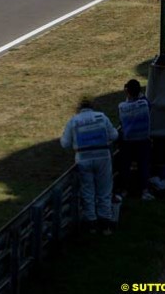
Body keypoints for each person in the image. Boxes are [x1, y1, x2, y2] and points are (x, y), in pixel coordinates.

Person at [61, 98, 119, 234]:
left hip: (83, 158)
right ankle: (106, 224)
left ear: (79, 109)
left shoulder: (74, 121)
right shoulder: (101, 117)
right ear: (92, 107)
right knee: (104, 190)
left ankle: (91, 223)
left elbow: (65, 144)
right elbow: (114, 135)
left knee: (88, 191)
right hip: (102, 156)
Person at [117, 79, 155, 201]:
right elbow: (146, 103)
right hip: (143, 140)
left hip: (128, 141)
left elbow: (122, 121)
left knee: (125, 166)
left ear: (128, 91)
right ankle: (144, 191)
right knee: (144, 166)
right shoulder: (145, 104)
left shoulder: (123, 107)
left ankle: (124, 190)